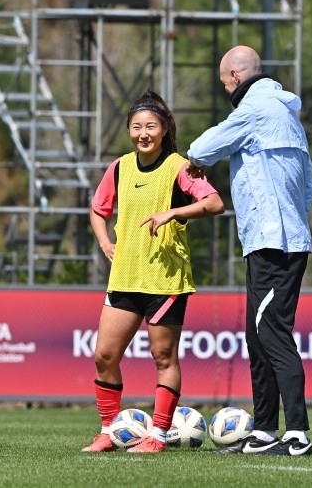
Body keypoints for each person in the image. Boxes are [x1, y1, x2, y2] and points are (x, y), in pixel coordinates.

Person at [186, 45, 312, 456]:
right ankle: (263, 431)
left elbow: (203, 147)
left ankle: (296, 435)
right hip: (281, 238)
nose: (225, 88)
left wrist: (193, 162)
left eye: (224, 81)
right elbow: (307, 186)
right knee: (258, 338)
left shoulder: (256, 109)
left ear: (235, 77)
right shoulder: (288, 115)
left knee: (272, 335)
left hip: (274, 242)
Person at [82, 90, 225, 453]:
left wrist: (173, 213)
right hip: (126, 276)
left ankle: (158, 435)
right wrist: (104, 243)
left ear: (164, 130)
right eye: (136, 127)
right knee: (104, 356)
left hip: (165, 279)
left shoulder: (180, 167)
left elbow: (214, 202)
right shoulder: (119, 167)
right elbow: (98, 209)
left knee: (163, 357)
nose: (143, 133)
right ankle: (108, 431)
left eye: (150, 126)